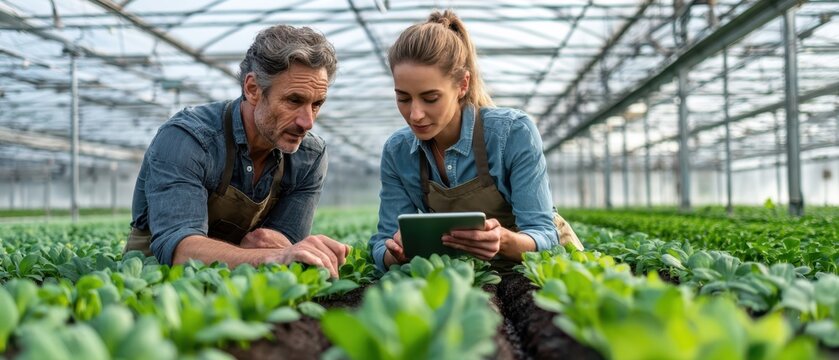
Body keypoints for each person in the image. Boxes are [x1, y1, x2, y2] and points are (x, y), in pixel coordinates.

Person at [369, 10, 584, 272]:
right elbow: (382, 244)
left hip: (539, 268)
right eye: (403, 98)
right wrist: (398, 253)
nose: (415, 114)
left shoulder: (513, 133)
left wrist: (503, 240)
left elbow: (544, 236)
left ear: (462, 85)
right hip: (468, 270)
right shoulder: (398, 151)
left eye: (430, 98)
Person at [126, 25, 349, 277]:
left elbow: (282, 243)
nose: (307, 122)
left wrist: (274, 249)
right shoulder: (189, 139)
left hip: (245, 287)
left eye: (317, 104)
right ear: (253, 89)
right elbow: (180, 250)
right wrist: (269, 254)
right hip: (156, 285)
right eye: (294, 100)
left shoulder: (309, 156)